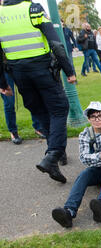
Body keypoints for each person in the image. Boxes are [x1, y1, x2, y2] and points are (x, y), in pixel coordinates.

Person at [0, 0, 76, 183]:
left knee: (40, 112)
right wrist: (69, 70)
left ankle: (56, 158)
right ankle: (54, 154)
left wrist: (3, 83)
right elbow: (56, 43)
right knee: (59, 109)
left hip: (19, 74)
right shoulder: (33, 9)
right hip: (42, 69)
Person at [51, 102, 101, 228]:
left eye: (100, 115)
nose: (97, 119)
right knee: (86, 173)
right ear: (89, 119)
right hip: (100, 168)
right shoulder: (85, 134)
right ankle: (69, 211)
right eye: (93, 117)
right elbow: (84, 158)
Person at [1, 70, 45, 144]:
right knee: (9, 103)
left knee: (32, 98)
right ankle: (13, 131)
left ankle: (38, 127)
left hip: (20, 67)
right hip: (4, 71)